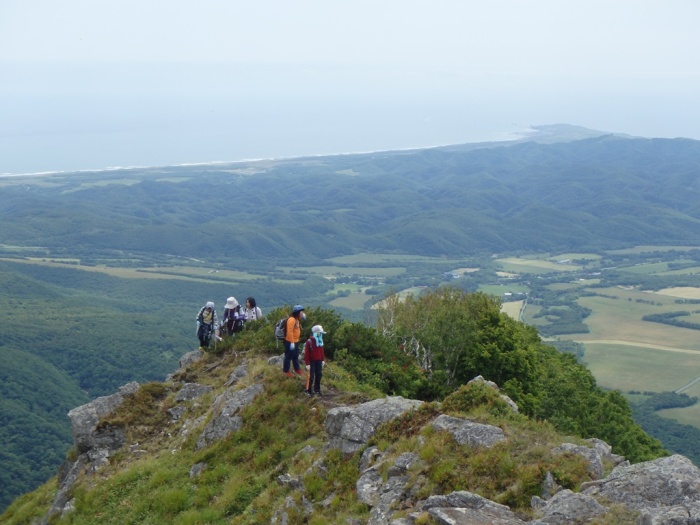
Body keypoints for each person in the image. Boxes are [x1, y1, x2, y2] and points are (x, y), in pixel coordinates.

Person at [282, 304, 306, 377]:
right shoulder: (292, 320)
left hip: (295, 341)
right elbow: (289, 331)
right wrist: (292, 342)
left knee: (295, 356)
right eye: (301, 312)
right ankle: (286, 371)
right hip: (290, 341)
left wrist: (303, 316)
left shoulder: (297, 319)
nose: (302, 314)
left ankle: (297, 369)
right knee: (288, 356)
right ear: (297, 312)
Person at [304, 325, 327, 396]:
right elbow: (307, 354)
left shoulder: (320, 341)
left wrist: (323, 359)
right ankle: (308, 390)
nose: (320, 334)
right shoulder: (309, 342)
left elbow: (321, 351)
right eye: (319, 333)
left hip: (319, 361)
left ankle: (317, 390)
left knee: (319, 375)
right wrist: (307, 364)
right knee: (311, 377)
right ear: (316, 333)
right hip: (312, 362)